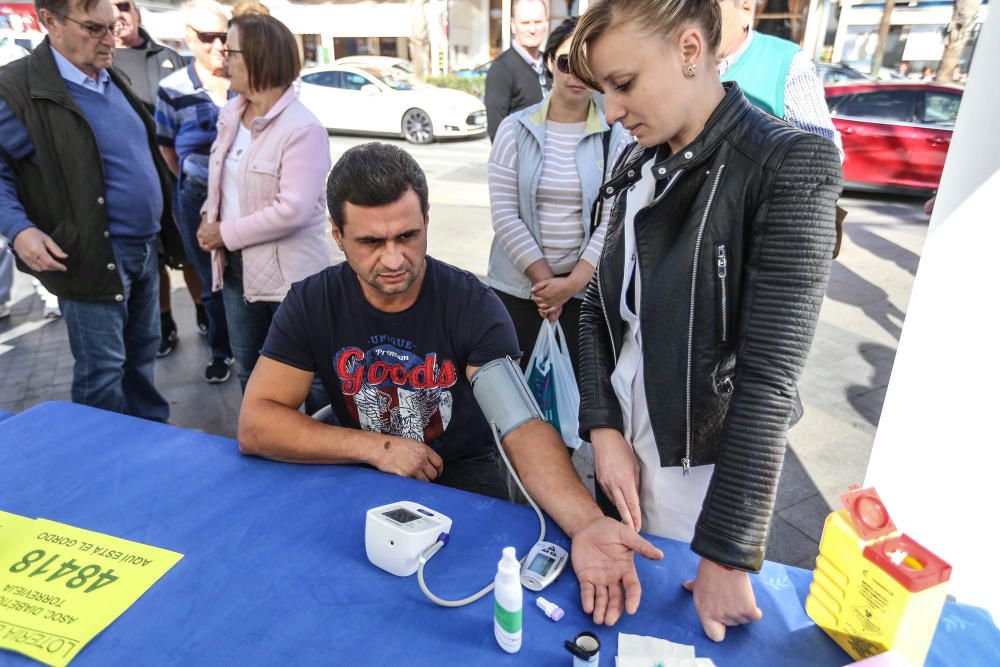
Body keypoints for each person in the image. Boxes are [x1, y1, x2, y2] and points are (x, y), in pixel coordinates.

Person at [239, 141, 664, 627]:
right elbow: (257, 423)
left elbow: (521, 426)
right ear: (337, 235)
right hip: (358, 466)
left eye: (407, 236)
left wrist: (588, 524)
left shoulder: (472, 305)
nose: (394, 258)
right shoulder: (312, 302)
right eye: (371, 243)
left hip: (462, 474)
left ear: (426, 221)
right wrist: (376, 448)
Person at [569, 0, 842, 642]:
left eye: (624, 84)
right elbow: (595, 307)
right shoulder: (637, 158)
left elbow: (770, 380)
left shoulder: (788, 164)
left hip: (702, 477)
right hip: (621, 456)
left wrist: (726, 549)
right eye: (603, 89)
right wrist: (602, 429)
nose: (610, 111)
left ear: (691, 49)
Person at [0, 0, 185, 421]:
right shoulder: (16, 88)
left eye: (113, 26)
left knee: (140, 360)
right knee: (102, 375)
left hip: (142, 251)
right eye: (94, 28)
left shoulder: (108, 77)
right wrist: (18, 228)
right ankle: (102, 470)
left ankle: (148, 446)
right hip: (90, 256)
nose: (110, 40)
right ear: (50, 22)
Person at [196, 13, 331, 393]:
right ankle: (258, 448)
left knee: (309, 380)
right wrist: (210, 218)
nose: (223, 59)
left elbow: (293, 210)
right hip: (238, 271)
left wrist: (222, 232)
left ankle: (313, 451)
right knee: (250, 376)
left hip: (291, 280)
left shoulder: (302, 128)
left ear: (259, 57)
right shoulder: (231, 113)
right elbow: (223, 181)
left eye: (232, 51)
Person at [487, 16, 630, 377]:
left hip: (581, 294)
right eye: (567, 62)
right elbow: (504, 214)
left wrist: (570, 286)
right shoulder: (515, 129)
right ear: (550, 62)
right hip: (521, 293)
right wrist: (545, 285)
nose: (576, 75)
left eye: (588, 65)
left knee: (577, 403)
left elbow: (613, 218)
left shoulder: (615, 136)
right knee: (517, 399)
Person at [112, 0, 203, 356]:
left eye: (124, 5)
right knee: (155, 260)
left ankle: (205, 318)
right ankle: (165, 326)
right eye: (112, 7)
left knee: (191, 255)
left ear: (135, 11)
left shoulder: (167, 57)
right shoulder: (99, 63)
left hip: (175, 181)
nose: (119, 14)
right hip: (134, 186)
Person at [156, 0, 234, 384]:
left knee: (245, 275)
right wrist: (191, 181)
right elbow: (166, 146)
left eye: (225, 35)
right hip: (197, 198)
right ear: (190, 39)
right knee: (210, 277)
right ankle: (222, 352)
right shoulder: (172, 88)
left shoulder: (245, 80)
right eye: (208, 37)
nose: (219, 45)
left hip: (242, 199)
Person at [716, 0, 840, 149]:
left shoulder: (788, 64)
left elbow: (821, 156)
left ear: (745, 8)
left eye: (707, 6)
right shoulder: (686, 60)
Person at [484, 0, 550, 141]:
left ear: (546, 23)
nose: (532, 29)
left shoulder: (552, 65)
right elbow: (496, 132)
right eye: (525, 23)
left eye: (538, 22)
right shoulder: (501, 69)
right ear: (513, 26)